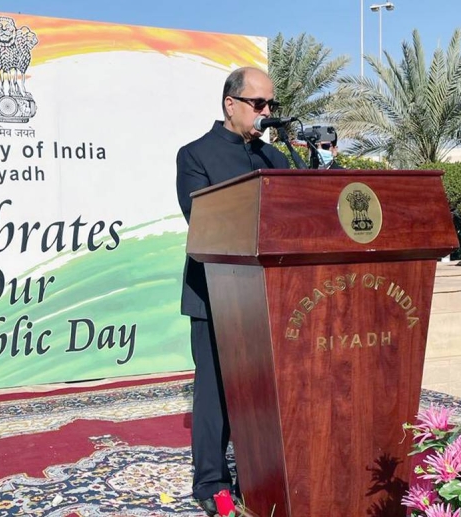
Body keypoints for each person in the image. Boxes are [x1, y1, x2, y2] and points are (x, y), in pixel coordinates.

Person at [176, 66, 289, 516]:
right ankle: (210, 482)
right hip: (214, 295)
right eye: (258, 104)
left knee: (265, 391)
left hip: (272, 298)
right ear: (231, 104)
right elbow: (202, 222)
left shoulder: (276, 160)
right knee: (217, 390)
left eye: (271, 106)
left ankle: (257, 478)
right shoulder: (195, 155)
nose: (266, 113)